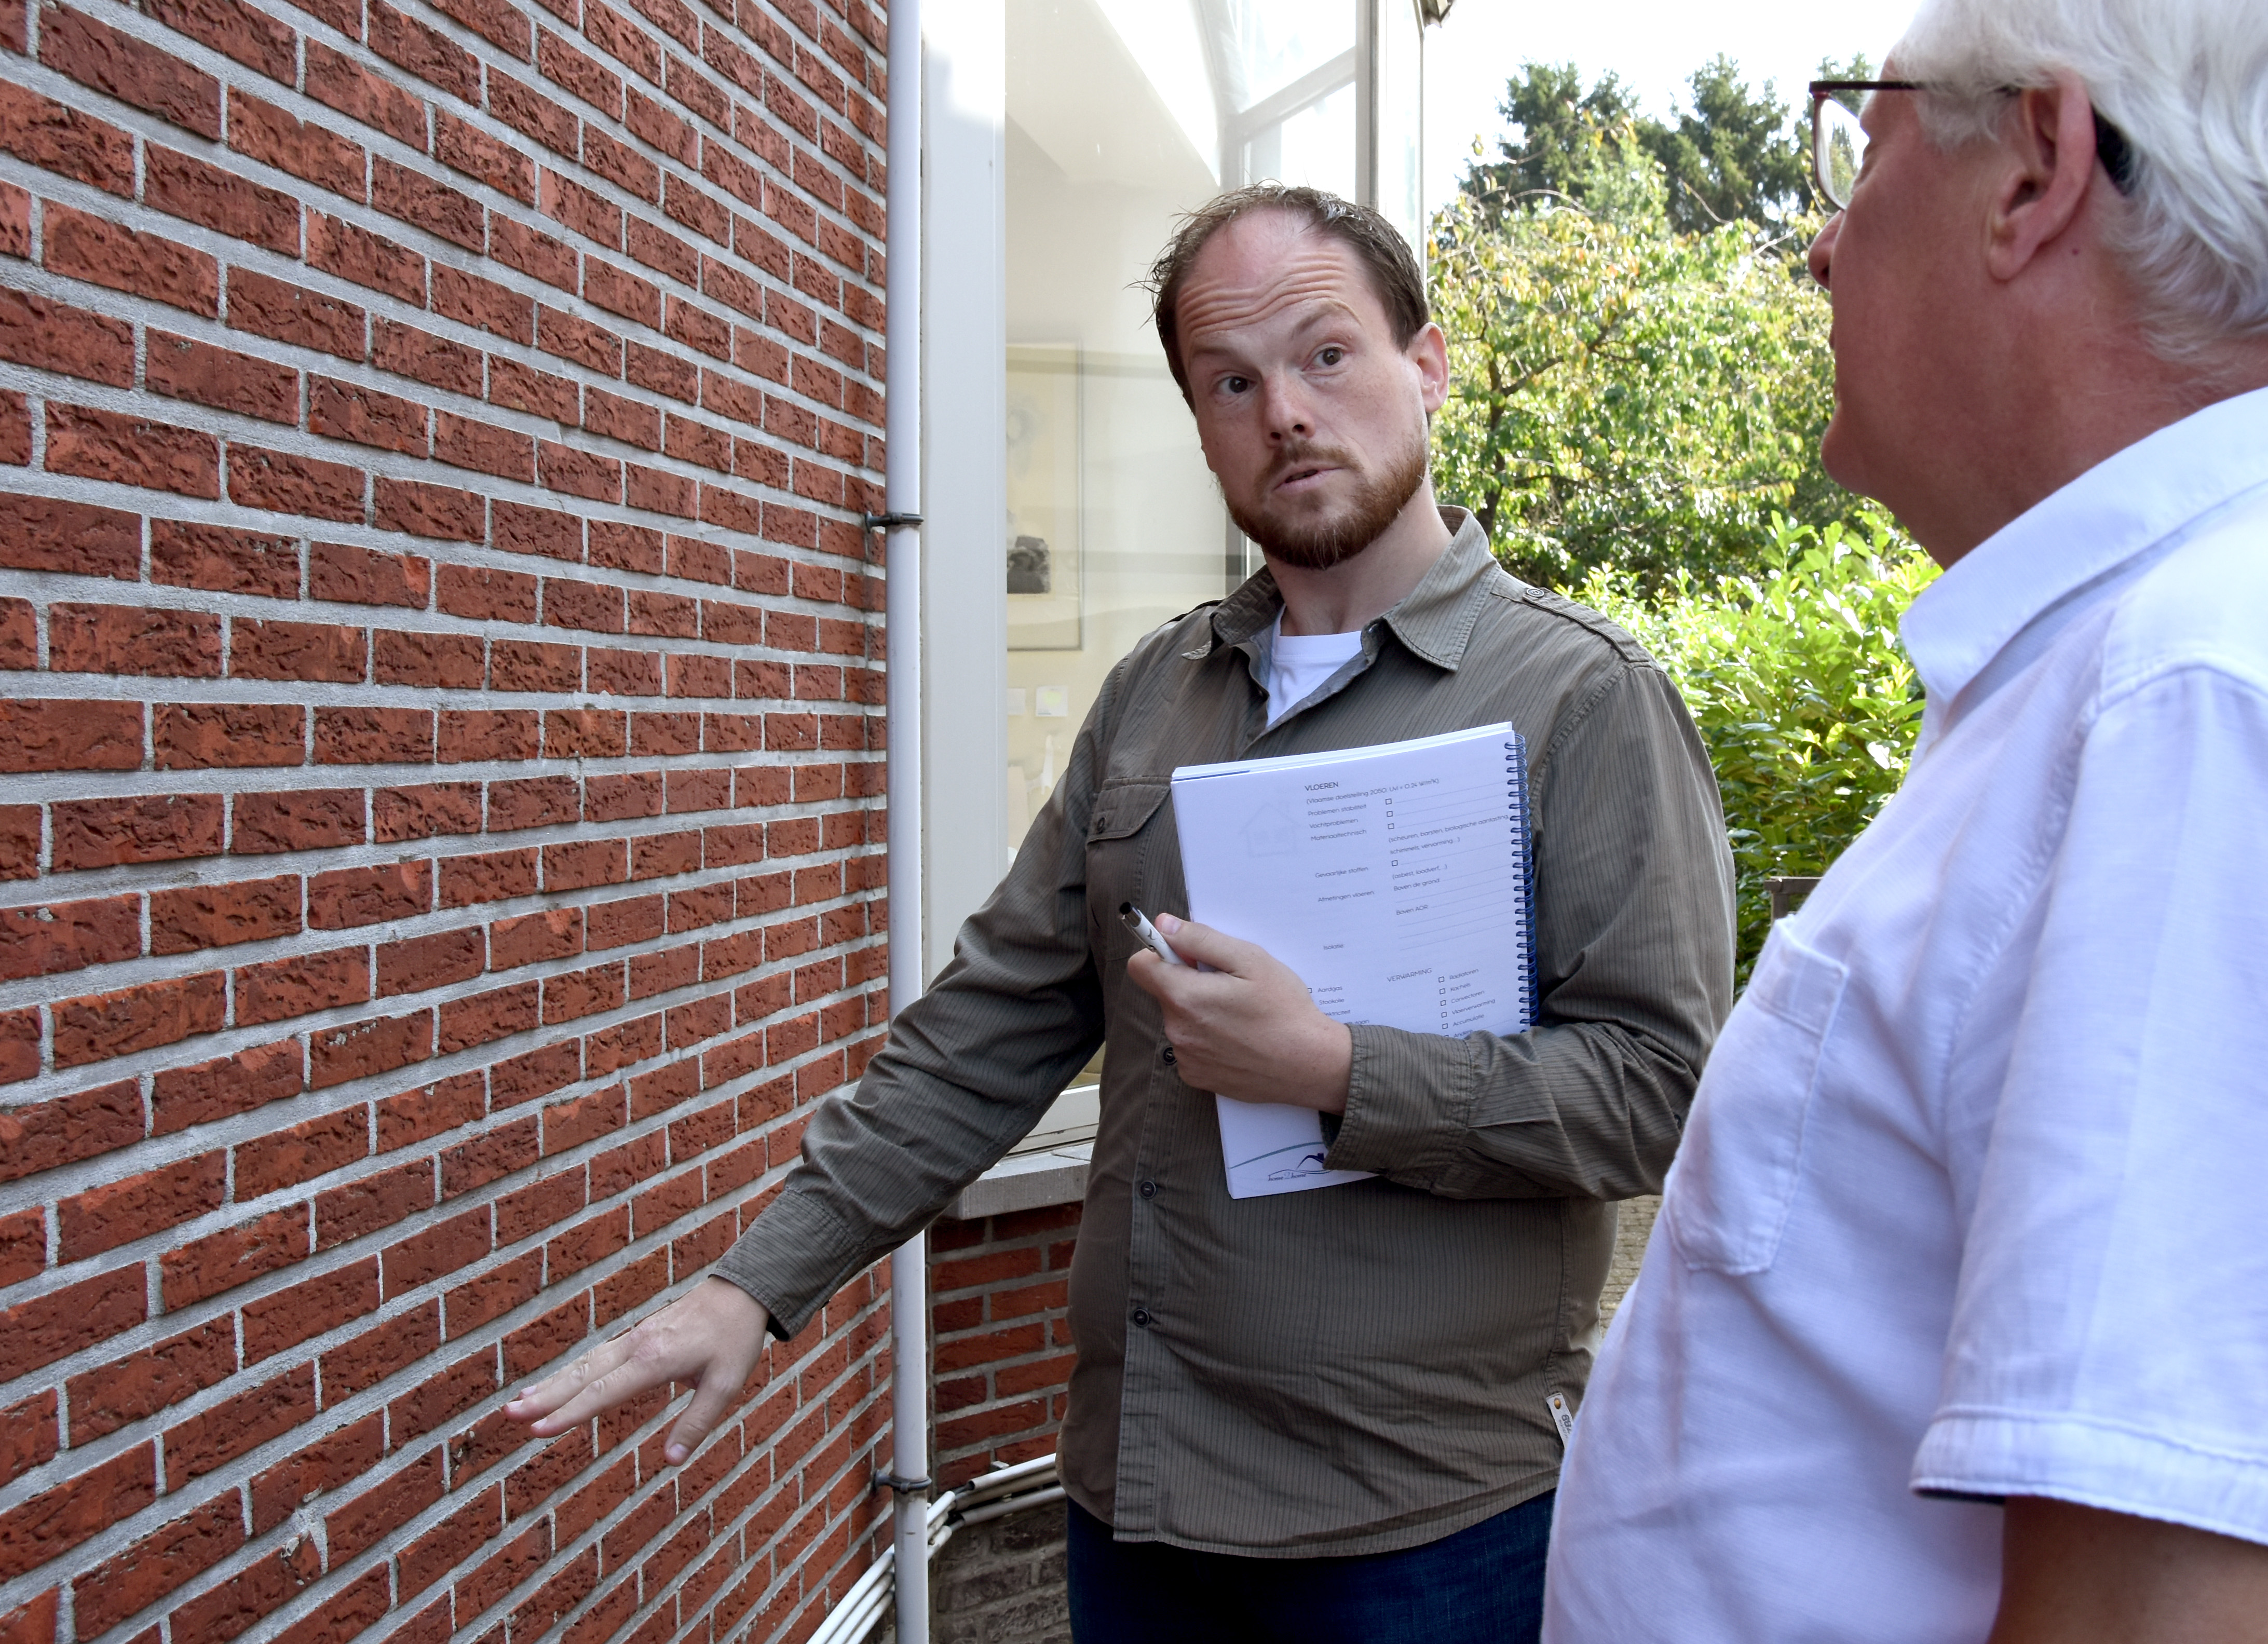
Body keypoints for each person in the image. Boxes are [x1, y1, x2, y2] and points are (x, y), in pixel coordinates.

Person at [509, 183, 1735, 1641]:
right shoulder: (1157, 697)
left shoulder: (1585, 699)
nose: (1284, 411)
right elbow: (991, 1023)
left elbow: (1663, 1093)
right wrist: (755, 1286)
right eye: (1231, 381)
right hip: (1137, 1506)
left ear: (1429, 365)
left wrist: (1341, 1071)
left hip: (1419, 1535)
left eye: (1326, 355)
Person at [1543, 0, 2268, 1639]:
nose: (1821, 249)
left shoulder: (2213, 692)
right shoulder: (2255, 642)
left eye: (1863, 143)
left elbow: (2145, 1611)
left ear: (2035, 166)